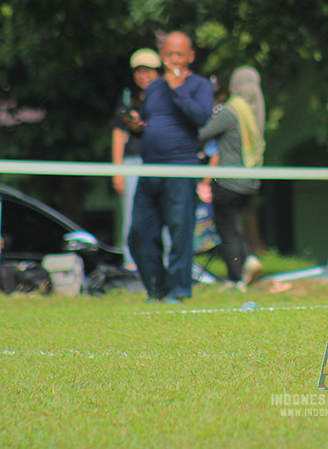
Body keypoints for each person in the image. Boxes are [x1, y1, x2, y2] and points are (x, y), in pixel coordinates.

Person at [128, 32, 213, 302]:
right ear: (162, 56)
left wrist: (178, 89)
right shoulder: (153, 88)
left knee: (179, 231)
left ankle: (179, 290)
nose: (174, 59)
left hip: (181, 168)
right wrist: (137, 126)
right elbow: (153, 121)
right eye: (169, 54)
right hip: (150, 168)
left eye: (179, 54)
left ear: (190, 56)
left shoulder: (199, 85)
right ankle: (156, 288)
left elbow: (201, 117)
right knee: (139, 232)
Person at [197, 66, 266, 291]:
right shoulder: (257, 111)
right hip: (250, 182)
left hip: (228, 181)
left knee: (226, 228)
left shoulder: (232, 111)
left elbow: (203, 133)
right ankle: (249, 260)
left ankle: (236, 277)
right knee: (234, 227)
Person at [111, 48, 161, 268]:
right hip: (133, 162)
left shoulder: (166, 97)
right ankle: (131, 265)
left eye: (148, 71)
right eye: (139, 71)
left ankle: (165, 263)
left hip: (161, 162)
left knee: (164, 214)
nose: (144, 76)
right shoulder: (126, 99)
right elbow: (118, 133)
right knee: (132, 216)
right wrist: (117, 170)